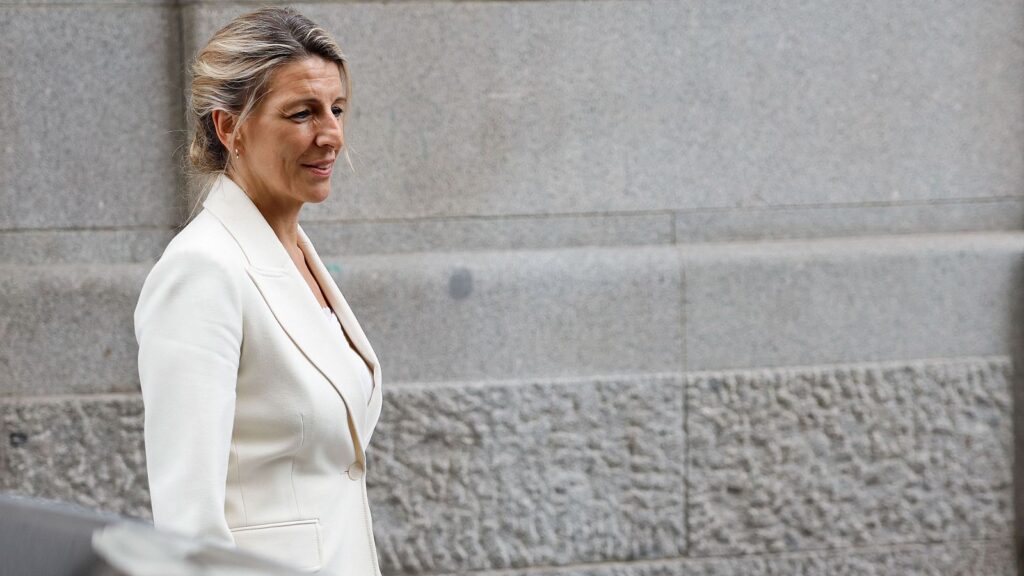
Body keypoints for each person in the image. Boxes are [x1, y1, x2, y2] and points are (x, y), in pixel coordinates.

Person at [133, 7, 383, 575]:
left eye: (337, 108)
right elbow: (187, 526)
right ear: (230, 128)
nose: (332, 135)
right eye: (303, 113)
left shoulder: (294, 255)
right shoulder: (202, 271)